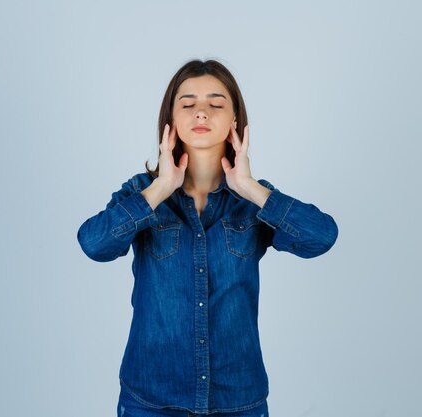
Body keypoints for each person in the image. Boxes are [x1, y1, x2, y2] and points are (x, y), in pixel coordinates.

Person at [76, 59, 339, 416]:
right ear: (170, 118)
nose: (201, 112)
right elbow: (94, 244)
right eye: (188, 103)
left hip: (237, 400)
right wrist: (161, 188)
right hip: (151, 399)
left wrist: (248, 187)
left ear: (234, 121)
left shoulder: (253, 202)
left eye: (216, 104)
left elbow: (321, 237)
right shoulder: (142, 192)